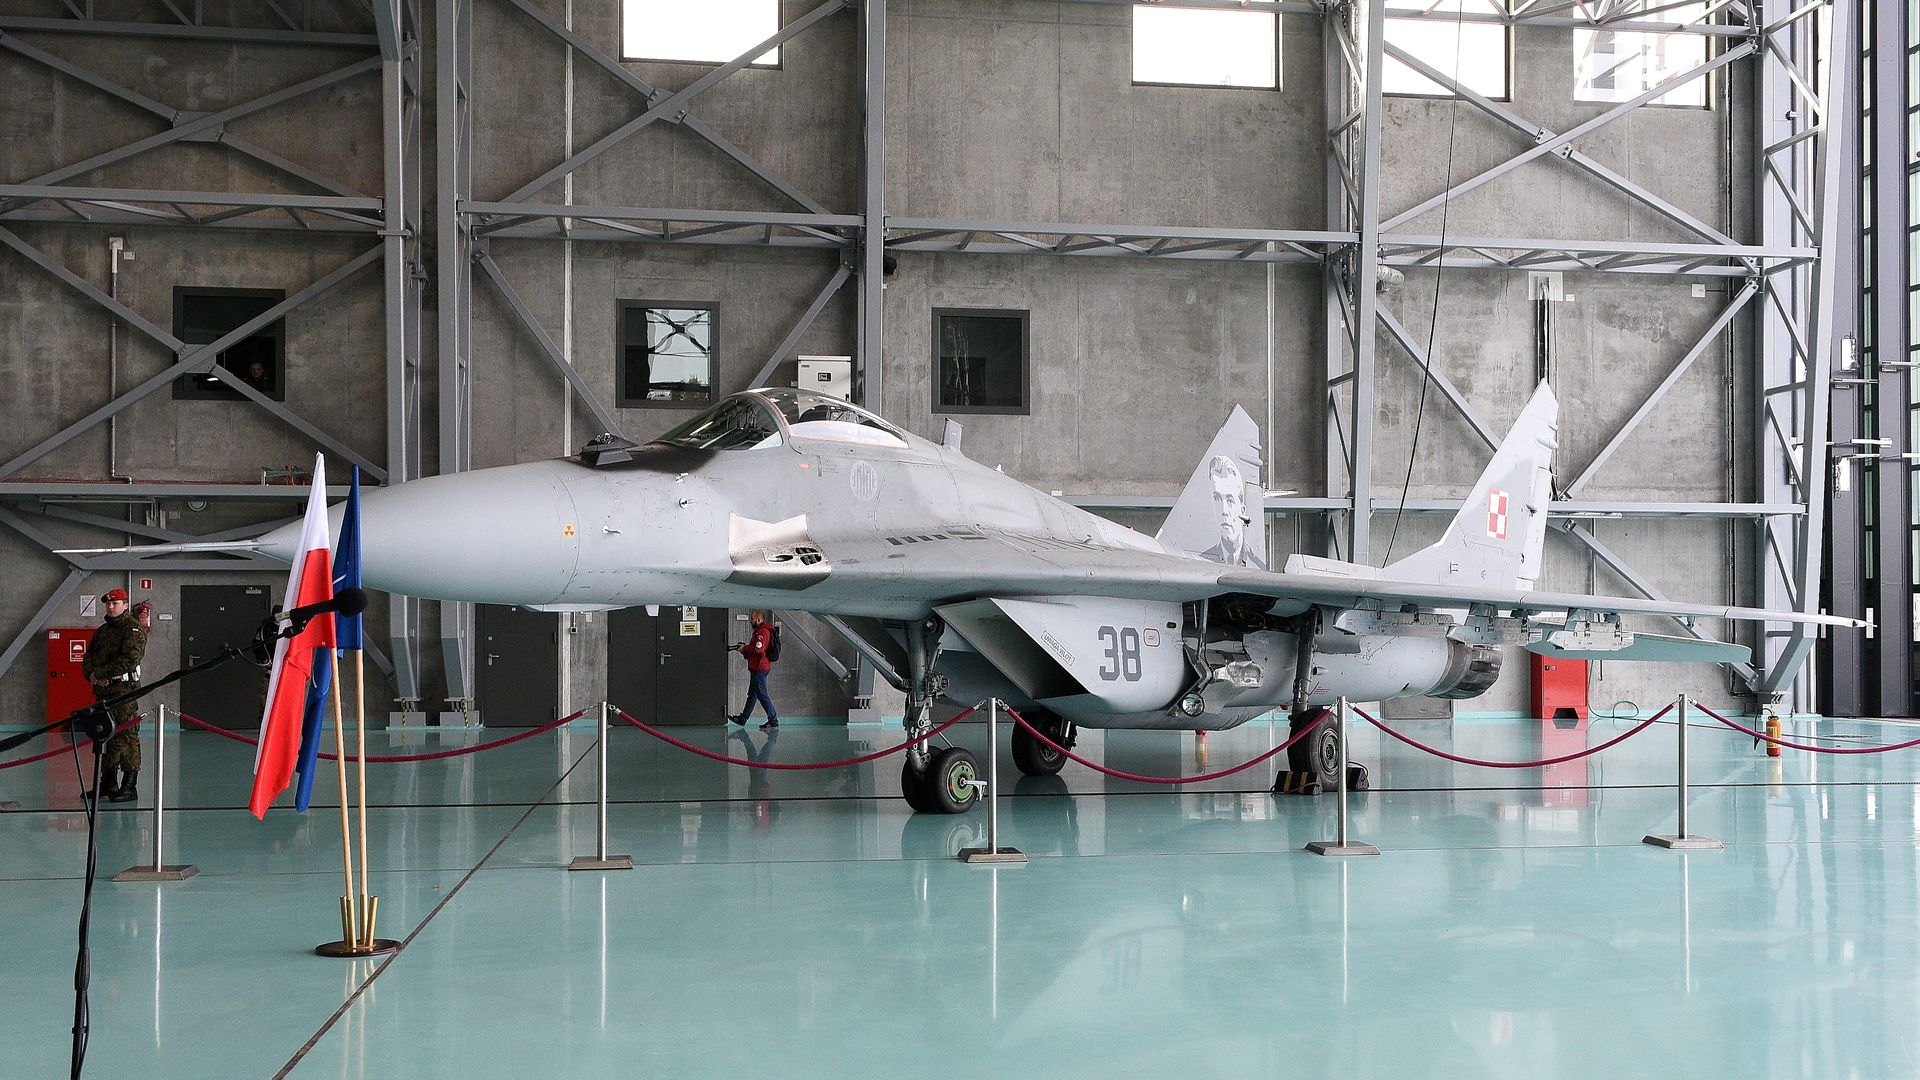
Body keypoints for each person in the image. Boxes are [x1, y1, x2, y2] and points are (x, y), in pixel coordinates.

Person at [81, 587, 146, 803]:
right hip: (103, 691)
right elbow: (89, 655)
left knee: (126, 736)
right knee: (104, 735)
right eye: (108, 604)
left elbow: (130, 660)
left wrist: (101, 673)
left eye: (116, 603)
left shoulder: (133, 629)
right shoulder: (102, 631)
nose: (111, 607)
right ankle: (108, 782)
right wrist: (92, 675)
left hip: (123, 691)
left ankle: (129, 784)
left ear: (126, 605)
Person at [1199, 454, 1266, 570]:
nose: (1224, 510)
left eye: (1230, 500)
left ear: (1243, 510)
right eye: (1217, 499)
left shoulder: (1257, 565)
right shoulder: (1201, 561)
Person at [727, 610, 779, 730]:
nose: (750, 620)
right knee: (753, 694)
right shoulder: (759, 632)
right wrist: (744, 649)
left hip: (760, 667)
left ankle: (773, 720)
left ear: (759, 620)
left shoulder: (762, 632)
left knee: (761, 694)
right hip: (757, 667)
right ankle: (742, 719)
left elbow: (758, 649)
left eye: (752, 618)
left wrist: (745, 648)